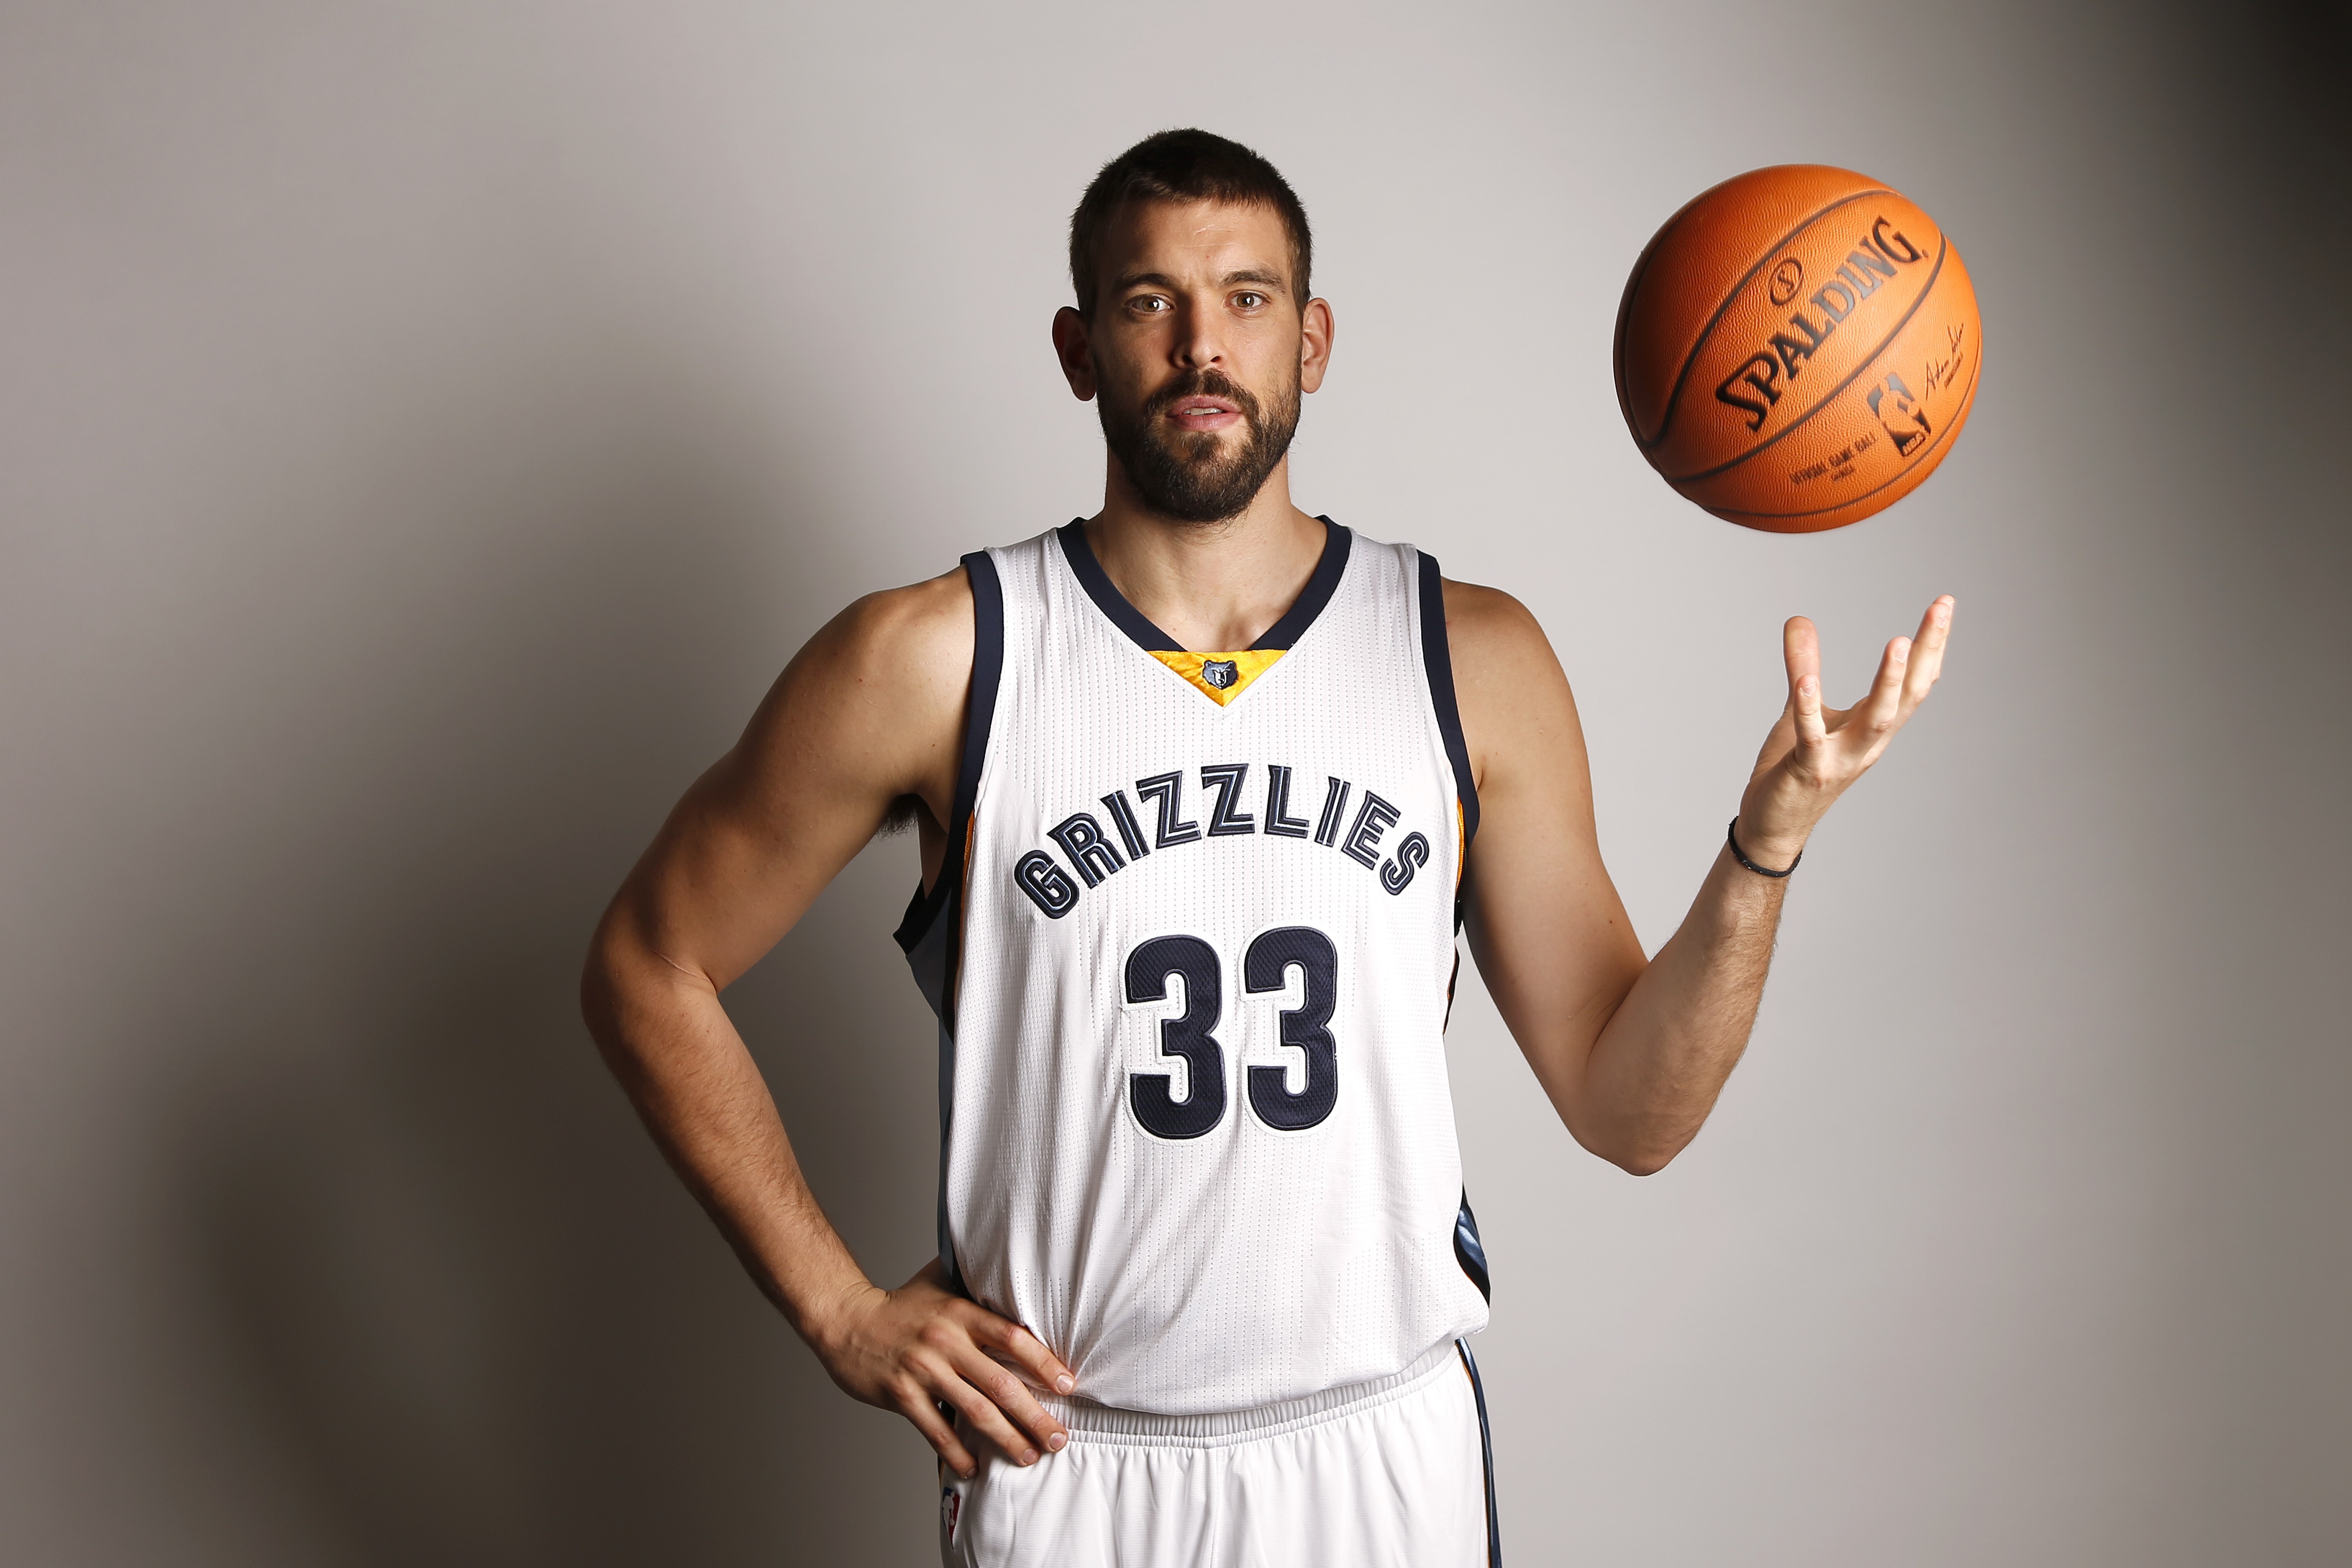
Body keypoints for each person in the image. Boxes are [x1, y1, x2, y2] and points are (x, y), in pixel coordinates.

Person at [580, 128, 1953, 1568]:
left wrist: (1764, 846)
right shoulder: (936, 661)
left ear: (1314, 339)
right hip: (1072, 1460)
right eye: (1145, 301)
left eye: (1246, 298)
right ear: (1076, 348)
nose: (1199, 346)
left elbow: (1635, 1113)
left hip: (1381, 1456)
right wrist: (839, 1307)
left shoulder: (1467, 656)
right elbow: (648, 963)